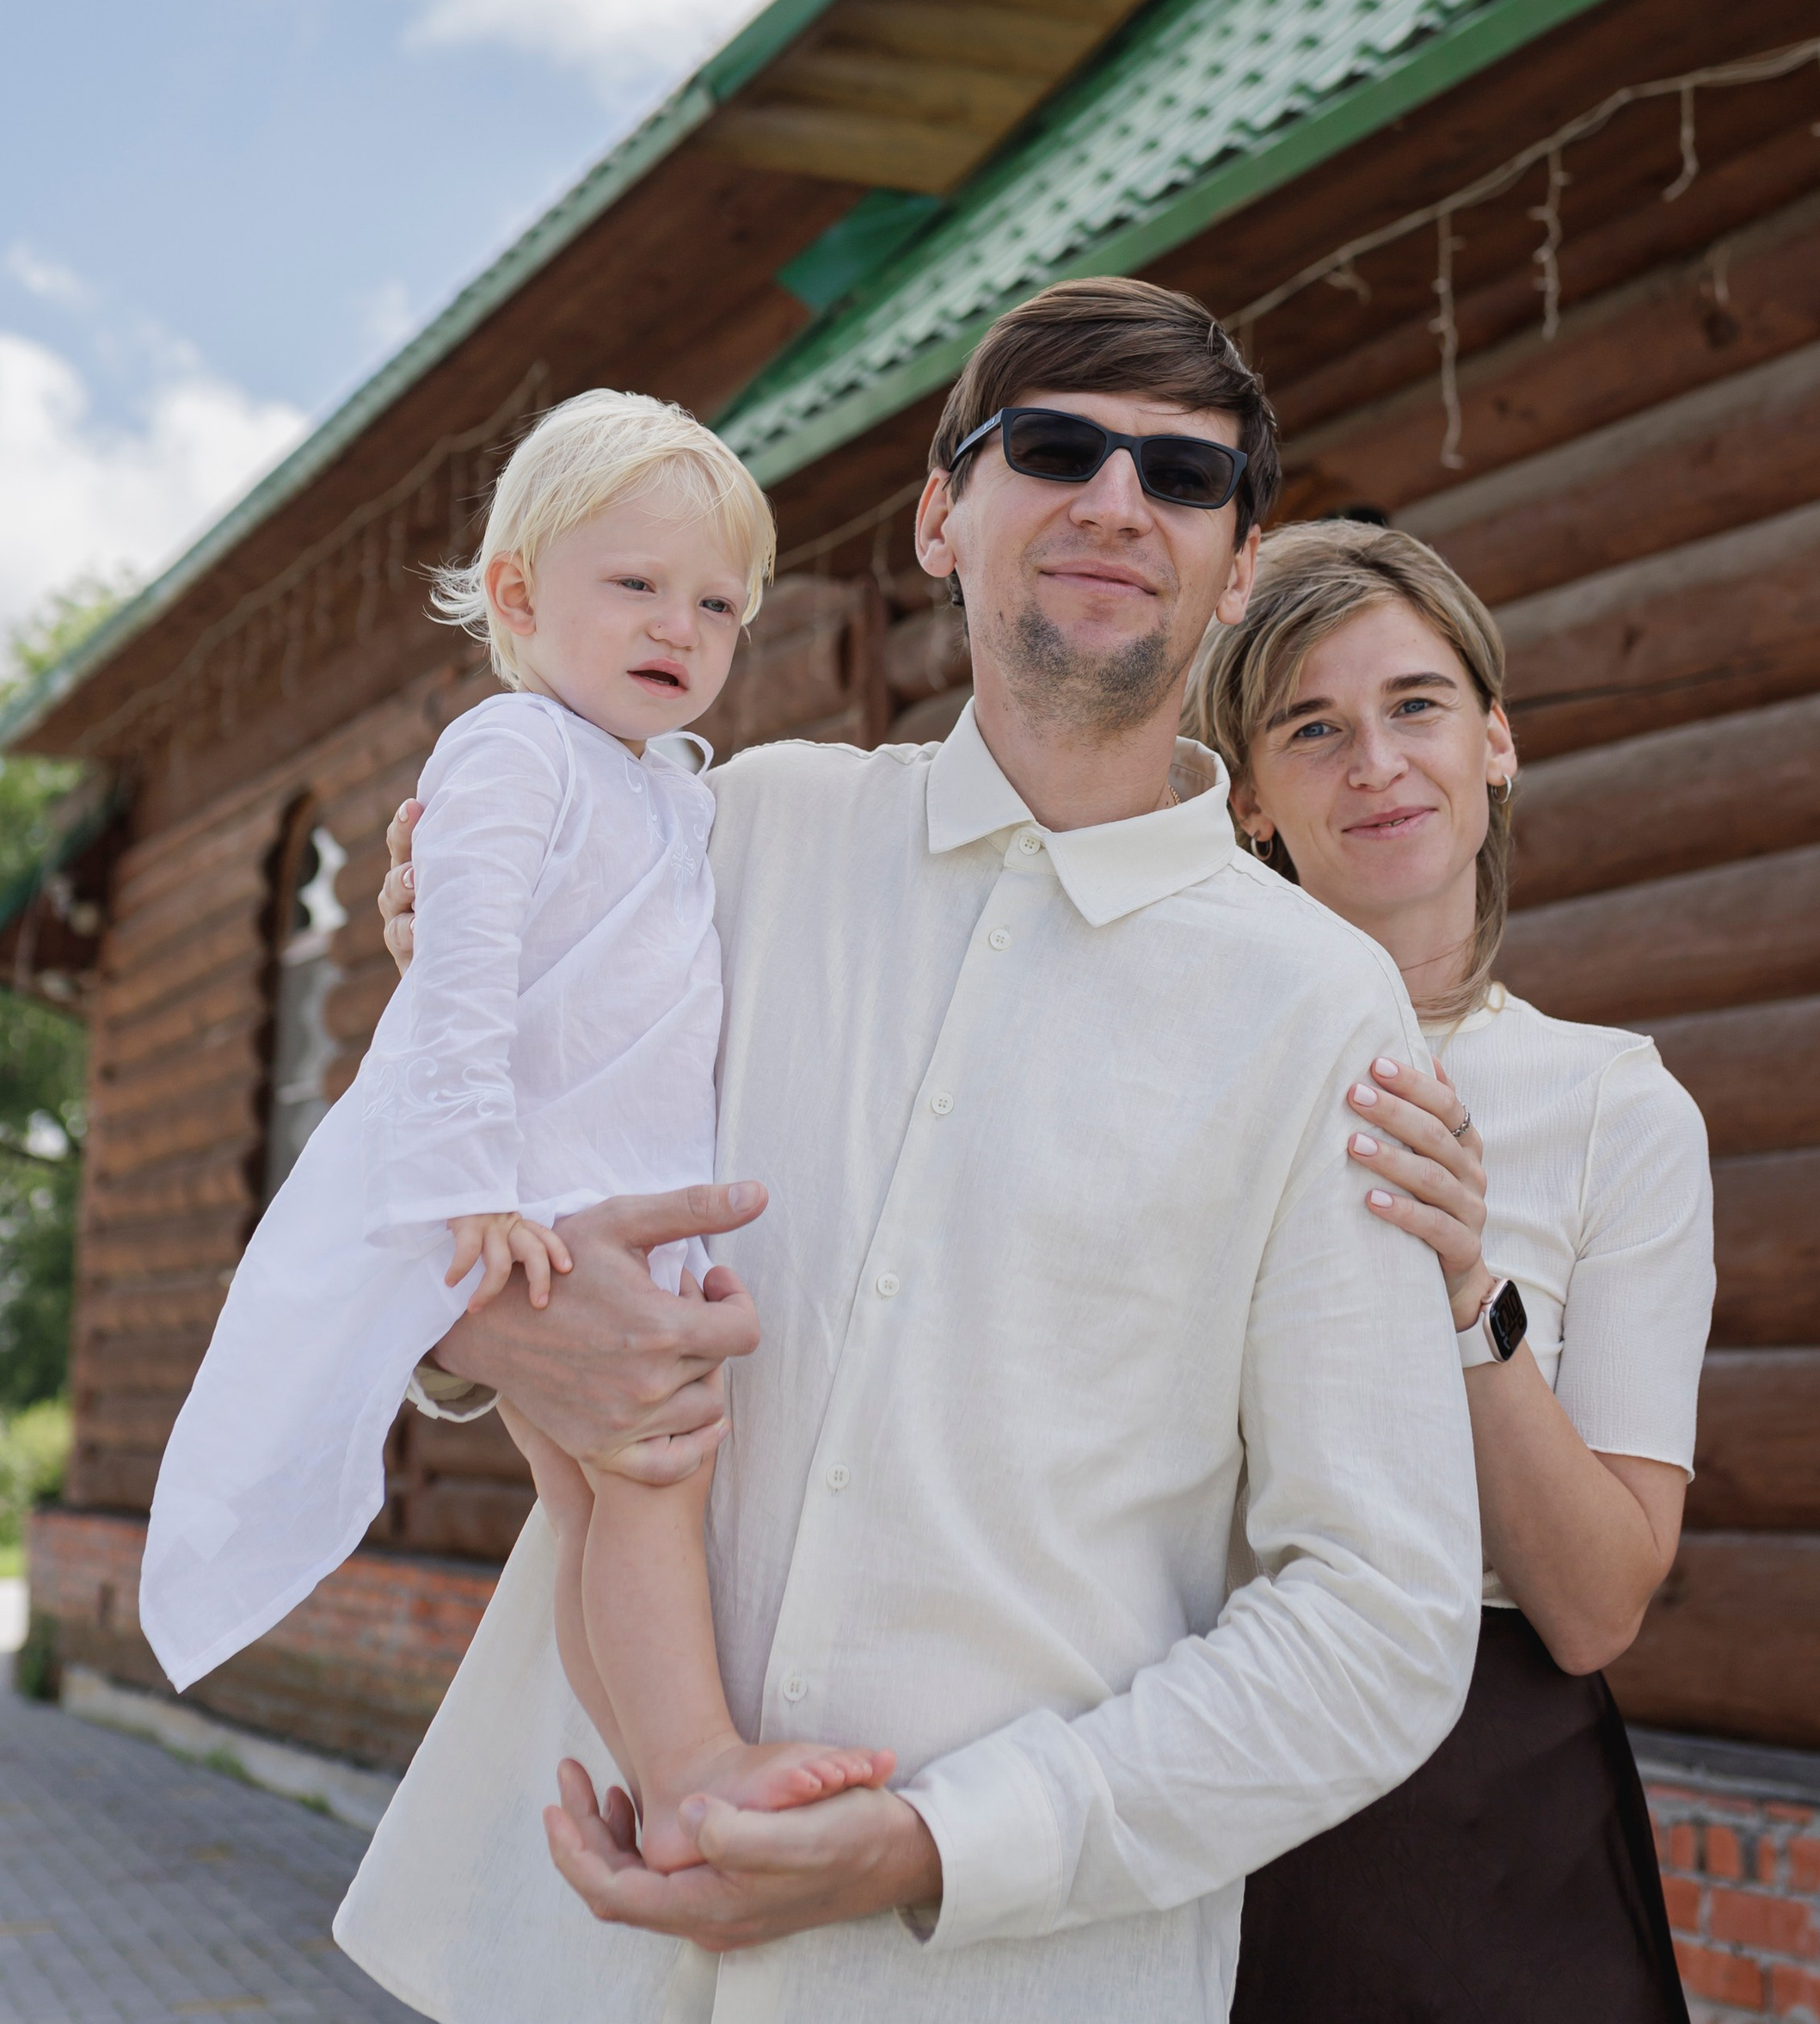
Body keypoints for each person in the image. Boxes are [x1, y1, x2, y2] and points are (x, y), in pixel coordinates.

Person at [334, 279, 1480, 2024]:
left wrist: (938, 1847)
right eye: (1052, 447)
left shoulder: (1323, 1014)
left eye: (1181, 479)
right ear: (942, 512)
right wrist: (474, 1331)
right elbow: (415, 1187)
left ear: (1238, 567)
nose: (1115, 502)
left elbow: (1382, 1620)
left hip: (1001, 1985)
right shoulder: (715, 837)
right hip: (565, 1946)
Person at [139, 394, 891, 1862]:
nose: (682, 625)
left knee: (595, 1502)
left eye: (719, 603)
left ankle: (651, 1766)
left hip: (593, 1178)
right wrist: (473, 1182)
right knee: (648, 1488)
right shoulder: (515, 747)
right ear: (518, 595)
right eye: (636, 586)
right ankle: (691, 1768)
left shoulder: (669, 788)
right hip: (543, 1192)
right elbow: (462, 967)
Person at [1186, 520, 1712, 2024]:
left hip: (1478, 1820)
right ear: (1250, 805)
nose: (1377, 763)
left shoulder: (1617, 1110)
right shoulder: (1166, 1078)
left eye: (1416, 705)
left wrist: (1468, 1296)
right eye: (1312, 726)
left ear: (1496, 743)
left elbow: (1599, 1609)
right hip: (1180, 1760)